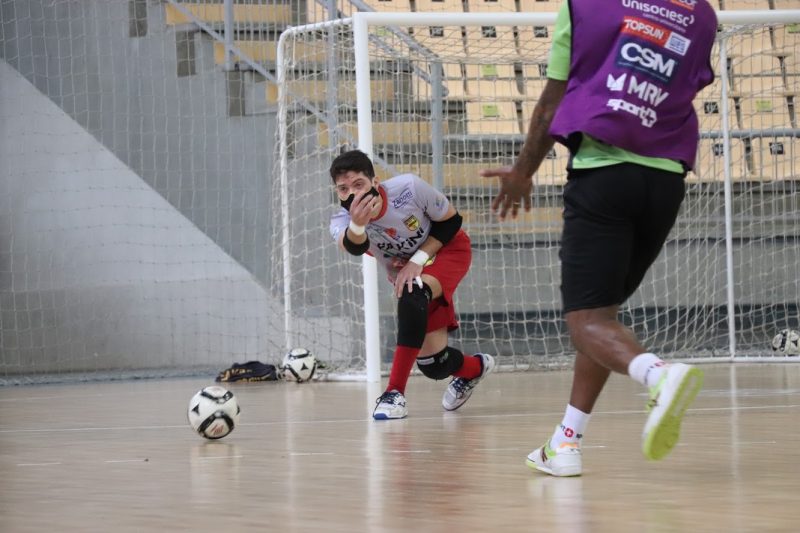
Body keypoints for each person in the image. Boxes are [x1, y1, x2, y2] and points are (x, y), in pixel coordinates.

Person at [482, 0, 718, 475]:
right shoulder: (700, 14)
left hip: (604, 173)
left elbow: (554, 98)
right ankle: (566, 442)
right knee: (601, 319)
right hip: (667, 180)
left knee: (586, 322)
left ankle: (659, 375)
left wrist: (524, 171)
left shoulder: (585, 5)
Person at [329, 149, 495, 419]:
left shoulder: (408, 187)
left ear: (375, 182)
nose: (353, 195)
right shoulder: (342, 221)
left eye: (359, 184)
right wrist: (358, 226)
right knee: (434, 364)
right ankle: (475, 369)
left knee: (411, 292)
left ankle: (394, 393)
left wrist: (417, 259)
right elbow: (353, 247)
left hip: (448, 250)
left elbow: (452, 221)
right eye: (343, 189)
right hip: (412, 267)